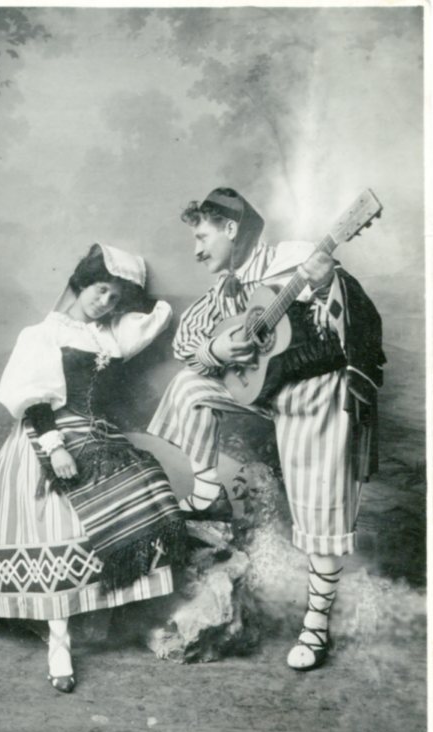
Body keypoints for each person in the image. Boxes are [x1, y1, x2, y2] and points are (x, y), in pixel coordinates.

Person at [148, 187, 385, 671]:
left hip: (313, 391)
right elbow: (186, 339)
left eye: (202, 237)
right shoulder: (227, 288)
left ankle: (315, 626)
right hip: (265, 391)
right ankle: (207, 492)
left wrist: (324, 285)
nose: (196, 250)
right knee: (190, 385)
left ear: (231, 228)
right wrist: (217, 351)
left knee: (320, 509)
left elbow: (358, 319)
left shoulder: (295, 259)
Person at [0, 243, 189, 693]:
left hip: (95, 431)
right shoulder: (42, 334)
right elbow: (33, 399)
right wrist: (54, 447)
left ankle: (127, 614)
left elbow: (150, 322)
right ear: (82, 284)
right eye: (100, 290)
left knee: (149, 483)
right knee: (58, 520)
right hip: (49, 433)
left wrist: (137, 296)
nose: (105, 302)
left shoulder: (109, 335)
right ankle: (59, 643)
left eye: (115, 298)